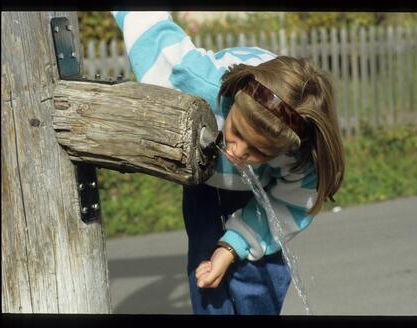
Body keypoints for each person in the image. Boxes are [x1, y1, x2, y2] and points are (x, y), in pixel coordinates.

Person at [111, 11, 345, 315]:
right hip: (208, 180)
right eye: (235, 132)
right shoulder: (194, 81)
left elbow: (292, 203)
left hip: (262, 186)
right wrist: (219, 251)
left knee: (260, 277)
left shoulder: (299, 152)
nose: (236, 152)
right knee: (208, 272)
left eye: (258, 151)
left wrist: (234, 245)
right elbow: (148, 25)